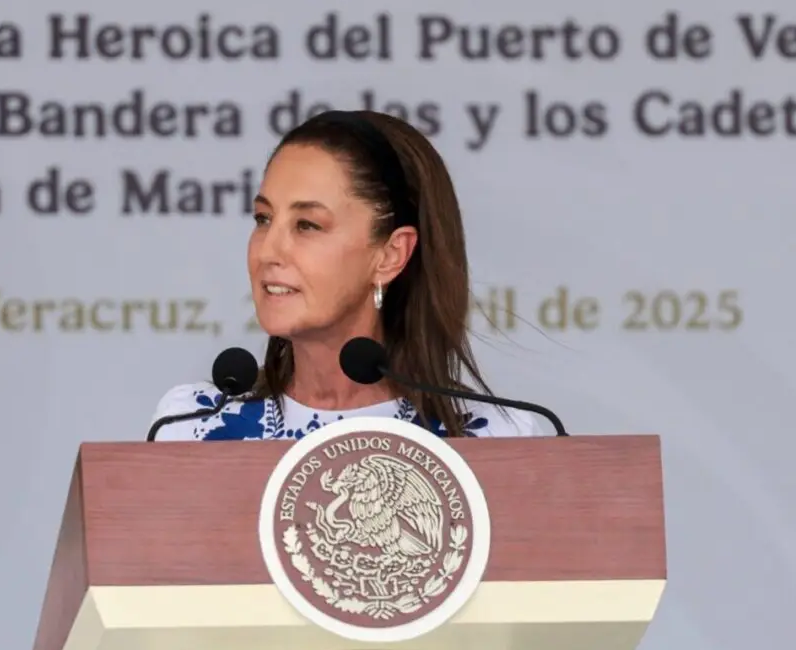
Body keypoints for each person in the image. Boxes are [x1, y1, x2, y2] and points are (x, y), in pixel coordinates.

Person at [149, 109, 548, 441]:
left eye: (307, 225)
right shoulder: (190, 425)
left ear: (390, 255)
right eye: (263, 218)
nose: (269, 249)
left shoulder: (493, 439)